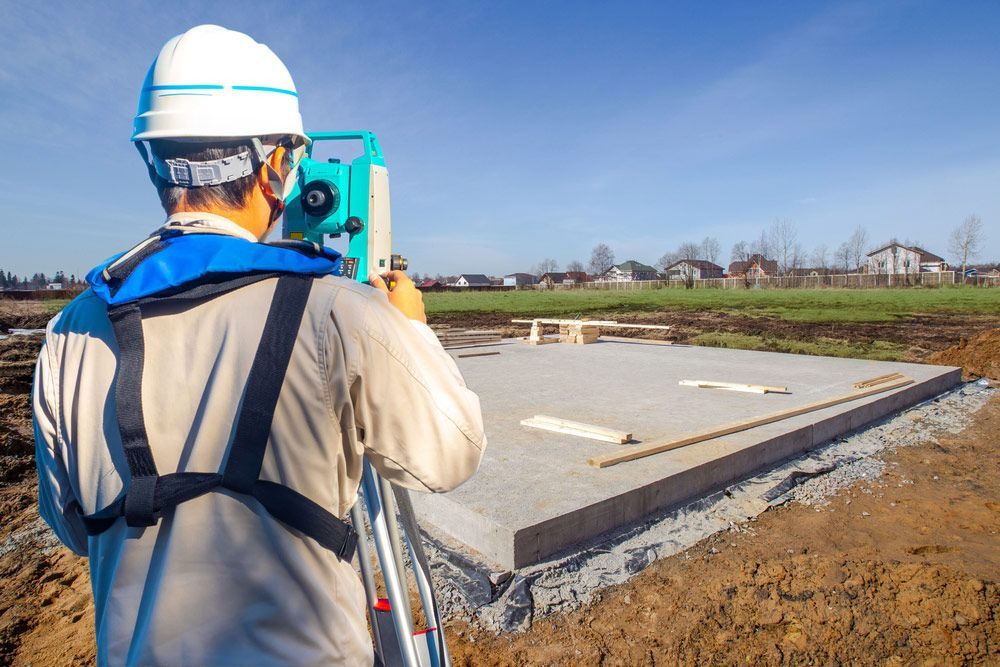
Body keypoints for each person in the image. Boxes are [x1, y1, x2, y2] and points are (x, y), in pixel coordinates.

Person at [33, 25, 486, 666]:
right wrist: (409, 326)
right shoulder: (337, 313)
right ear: (277, 163)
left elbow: (75, 529)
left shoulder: (72, 332)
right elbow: (451, 453)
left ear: (156, 161)